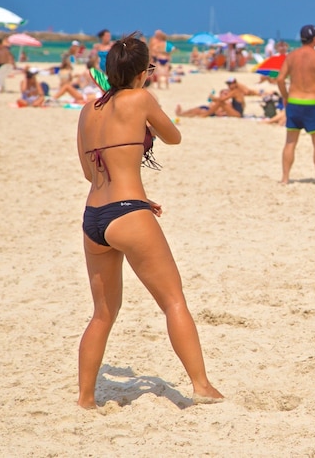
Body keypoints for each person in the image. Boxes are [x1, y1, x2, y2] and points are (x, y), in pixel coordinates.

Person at [75, 33, 222, 409]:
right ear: (142, 72)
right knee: (173, 301)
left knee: (102, 314)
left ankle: (86, 399)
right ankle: (202, 386)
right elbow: (174, 137)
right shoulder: (140, 99)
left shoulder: (87, 111)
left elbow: (90, 173)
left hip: (94, 217)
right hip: (128, 212)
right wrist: (146, 126)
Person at [277, 24, 315, 184]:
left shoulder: (291, 56)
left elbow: (280, 79)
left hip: (294, 102)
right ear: (314, 39)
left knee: (290, 142)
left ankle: (285, 178)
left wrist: (286, 97)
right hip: (313, 103)